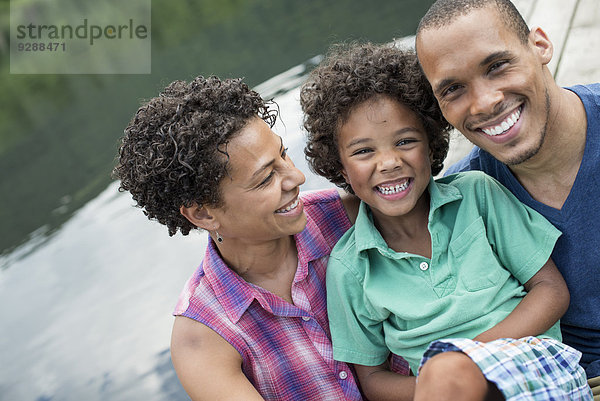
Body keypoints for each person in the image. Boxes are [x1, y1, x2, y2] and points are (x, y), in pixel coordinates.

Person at [300, 42, 593, 401]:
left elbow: (551, 291)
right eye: (364, 151)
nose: (389, 162)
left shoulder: (477, 196)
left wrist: (469, 358)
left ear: (431, 144)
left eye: (405, 141)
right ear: (339, 165)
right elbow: (372, 379)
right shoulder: (350, 268)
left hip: (535, 364)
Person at [112, 75, 410, 400]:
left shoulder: (350, 217)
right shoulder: (203, 338)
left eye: (284, 155)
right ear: (203, 214)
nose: (296, 177)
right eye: (266, 177)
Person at [415, 0, 600, 389]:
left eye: (497, 66)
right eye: (453, 89)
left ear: (541, 46)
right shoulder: (461, 204)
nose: (485, 102)